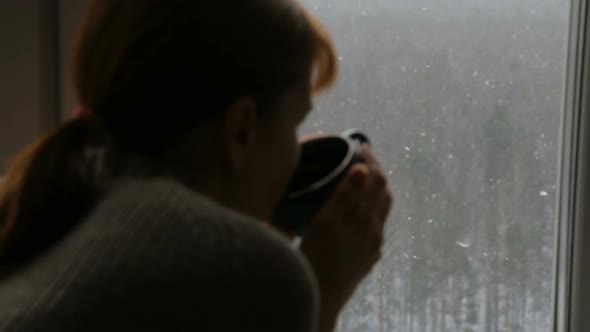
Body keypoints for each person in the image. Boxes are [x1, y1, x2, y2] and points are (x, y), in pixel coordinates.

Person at [0, 0, 392, 331]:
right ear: (241, 129)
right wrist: (324, 291)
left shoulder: (49, 204)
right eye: (296, 122)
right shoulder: (258, 276)